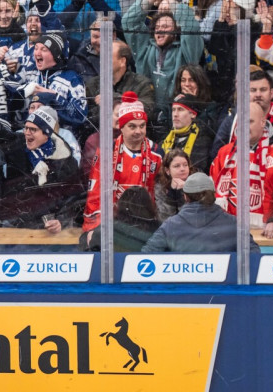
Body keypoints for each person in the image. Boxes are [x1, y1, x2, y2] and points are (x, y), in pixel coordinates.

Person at [0, 105, 84, 229]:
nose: (27, 133)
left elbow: (74, 196)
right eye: (26, 128)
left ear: (46, 134)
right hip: (14, 224)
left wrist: (61, 220)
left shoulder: (65, 161)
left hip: (47, 227)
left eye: (33, 129)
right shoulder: (18, 145)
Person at [210, 101, 273, 239]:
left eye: (250, 121)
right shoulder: (224, 152)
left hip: (266, 233)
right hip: (226, 232)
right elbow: (211, 189)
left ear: (263, 122)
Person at [83, 92, 162, 234]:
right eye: (132, 126)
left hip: (147, 226)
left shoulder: (157, 153)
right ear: (121, 126)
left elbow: (161, 195)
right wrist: (95, 230)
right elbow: (95, 194)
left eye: (142, 126)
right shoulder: (106, 152)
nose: (138, 131)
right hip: (113, 226)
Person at [123, 0, 204, 139]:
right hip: (146, 119)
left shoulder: (186, 52)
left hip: (175, 118)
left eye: (166, 26)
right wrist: (147, 2)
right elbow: (128, 22)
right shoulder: (144, 49)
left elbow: (192, 29)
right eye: (158, 26)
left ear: (176, 31)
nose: (160, 29)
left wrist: (175, 6)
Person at [143, 172, 260, 252]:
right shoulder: (233, 224)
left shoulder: (171, 225)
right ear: (213, 195)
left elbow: (146, 256)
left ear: (185, 197)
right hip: (222, 286)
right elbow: (253, 256)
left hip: (183, 286)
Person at [82, 186, 162, 252]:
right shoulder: (159, 228)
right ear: (148, 205)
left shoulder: (110, 228)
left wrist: (89, 238)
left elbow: (91, 247)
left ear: (122, 204)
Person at [159, 94, 215, 173]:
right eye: (173, 110)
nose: (175, 114)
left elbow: (198, 170)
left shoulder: (202, 141)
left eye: (180, 110)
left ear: (193, 114)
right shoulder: (165, 140)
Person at [153, 149, 195, 222]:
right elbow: (164, 219)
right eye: (177, 166)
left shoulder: (197, 183)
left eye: (185, 165)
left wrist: (183, 192)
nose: (182, 169)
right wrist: (171, 194)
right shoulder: (160, 187)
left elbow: (192, 218)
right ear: (167, 170)